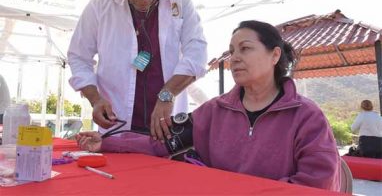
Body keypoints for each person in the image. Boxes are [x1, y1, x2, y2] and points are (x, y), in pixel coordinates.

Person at [76, 20, 340, 191]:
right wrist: (107, 142)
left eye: (245, 49)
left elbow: (317, 184)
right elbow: (162, 142)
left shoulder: (306, 116)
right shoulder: (216, 110)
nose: (234, 58)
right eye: (232, 51)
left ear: (275, 55)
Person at [67, 0, 207, 141]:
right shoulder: (100, 5)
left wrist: (167, 94)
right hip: (116, 129)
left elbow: (197, 54)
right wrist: (95, 99)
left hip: (168, 129)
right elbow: (79, 57)